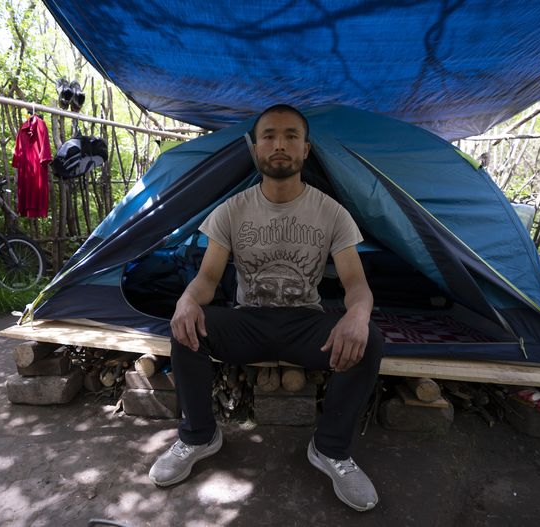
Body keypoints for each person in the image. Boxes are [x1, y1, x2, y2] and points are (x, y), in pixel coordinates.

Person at [148, 104, 384, 512]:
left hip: (305, 323)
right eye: (269, 136)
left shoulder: (332, 213)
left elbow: (356, 284)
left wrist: (358, 315)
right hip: (248, 321)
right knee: (185, 327)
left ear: (306, 149)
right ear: (255, 148)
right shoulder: (231, 211)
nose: (280, 144)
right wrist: (186, 301)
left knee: (371, 339)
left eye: (291, 136)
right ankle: (198, 436)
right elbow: (206, 280)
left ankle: (330, 450)